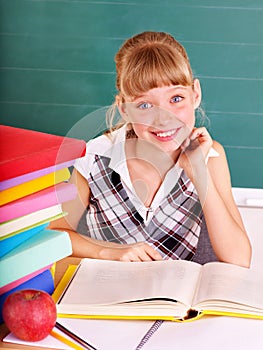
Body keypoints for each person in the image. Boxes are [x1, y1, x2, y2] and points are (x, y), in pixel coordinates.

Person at [49, 31, 251, 267]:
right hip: (110, 295)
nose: (163, 119)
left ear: (195, 94)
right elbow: (54, 234)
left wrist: (198, 172)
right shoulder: (96, 157)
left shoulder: (209, 156)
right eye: (144, 105)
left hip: (174, 300)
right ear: (125, 109)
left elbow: (240, 259)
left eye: (176, 99)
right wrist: (107, 251)